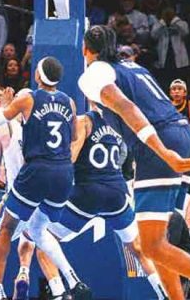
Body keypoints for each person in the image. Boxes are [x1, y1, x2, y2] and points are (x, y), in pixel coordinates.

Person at [78, 25, 190, 300]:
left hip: (160, 143)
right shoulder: (131, 67)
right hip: (182, 132)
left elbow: (128, 109)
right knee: (158, 242)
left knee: (150, 245)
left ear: (85, 50)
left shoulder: (93, 73)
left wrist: (163, 152)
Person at [0, 57, 88, 300]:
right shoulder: (70, 102)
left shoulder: (27, 99)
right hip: (63, 174)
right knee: (38, 230)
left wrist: (6, 107)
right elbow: (73, 136)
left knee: (6, 229)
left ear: (39, 76)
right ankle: (71, 279)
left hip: (36, 171)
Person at [51, 95, 167, 299]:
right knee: (139, 249)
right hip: (116, 192)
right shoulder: (119, 125)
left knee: (44, 238)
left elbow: (70, 159)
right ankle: (163, 293)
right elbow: (125, 160)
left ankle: (72, 284)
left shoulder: (83, 121)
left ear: (89, 98)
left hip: (88, 192)